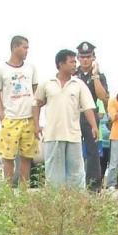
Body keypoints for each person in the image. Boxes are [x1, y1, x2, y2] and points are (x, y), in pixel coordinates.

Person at [32, 49, 96, 190]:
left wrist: (94, 126)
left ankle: (76, 200)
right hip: (52, 135)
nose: (75, 64)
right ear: (61, 64)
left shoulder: (78, 84)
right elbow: (36, 103)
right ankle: (55, 201)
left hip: (73, 135)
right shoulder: (47, 83)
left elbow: (88, 107)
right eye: (71, 62)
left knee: (76, 174)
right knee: (54, 176)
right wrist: (36, 125)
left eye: (75, 62)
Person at [0, 35, 40, 186]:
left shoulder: (31, 68)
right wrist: (2, 117)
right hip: (11, 119)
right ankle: (8, 190)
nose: (27, 51)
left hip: (28, 119)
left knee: (27, 157)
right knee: (8, 158)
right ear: (15, 48)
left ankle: (24, 190)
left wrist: (37, 119)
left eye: (28, 48)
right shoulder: (1, 70)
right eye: (24, 47)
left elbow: (36, 92)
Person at [73, 42, 110, 191]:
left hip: (91, 116)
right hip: (74, 115)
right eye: (82, 57)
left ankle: (93, 186)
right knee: (73, 150)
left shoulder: (99, 76)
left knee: (92, 152)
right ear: (78, 58)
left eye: (88, 57)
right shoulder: (73, 74)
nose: (85, 60)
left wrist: (95, 76)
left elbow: (103, 96)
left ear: (93, 57)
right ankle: (74, 184)